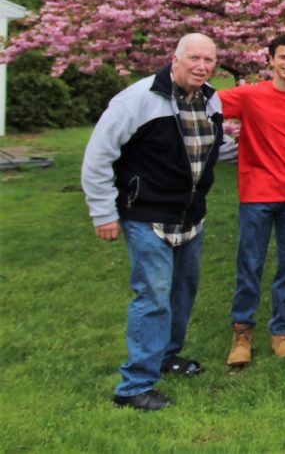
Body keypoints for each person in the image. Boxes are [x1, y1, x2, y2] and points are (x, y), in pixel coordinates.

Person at [82, 33, 223, 411]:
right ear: (175, 59)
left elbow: (211, 148)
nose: (202, 66)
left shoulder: (211, 100)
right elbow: (98, 157)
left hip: (190, 215)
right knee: (153, 297)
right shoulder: (137, 100)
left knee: (182, 292)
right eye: (194, 58)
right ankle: (134, 386)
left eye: (209, 60)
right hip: (147, 215)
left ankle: (165, 356)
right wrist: (103, 212)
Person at [220, 33, 285, 367]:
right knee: (250, 264)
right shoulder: (250, 95)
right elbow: (205, 103)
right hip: (257, 194)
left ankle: (282, 331)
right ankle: (242, 333)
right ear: (271, 59)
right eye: (282, 57)